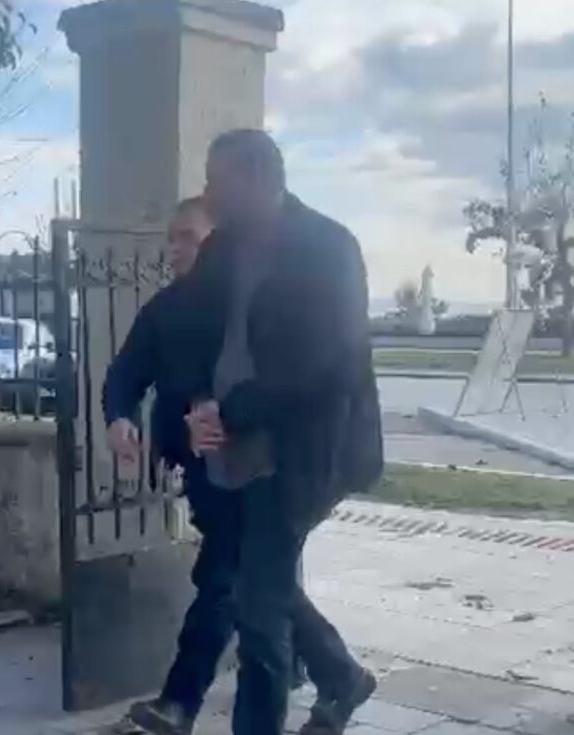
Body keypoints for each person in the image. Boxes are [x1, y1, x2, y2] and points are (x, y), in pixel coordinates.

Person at [174, 129, 384, 735]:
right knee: (255, 579)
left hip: (302, 454)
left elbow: (329, 363)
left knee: (258, 607)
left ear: (256, 180)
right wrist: (199, 400)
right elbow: (193, 330)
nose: (208, 192)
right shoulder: (222, 249)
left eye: (217, 180)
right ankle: (342, 675)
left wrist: (234, 409)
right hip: (232, 451)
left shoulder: (328, 247)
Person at [103, 197, 239, 734]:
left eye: (188, 237)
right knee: (256, 576)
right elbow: (124, 373)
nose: (175, 248)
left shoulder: (244, 306)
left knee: (221, 580)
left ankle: (177, 703)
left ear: (218, 242)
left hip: (246, 470)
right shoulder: (163, 309)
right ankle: (334, 670)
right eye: (172, 237)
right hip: (198, 471)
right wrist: (119, 417)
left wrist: (219, 410)